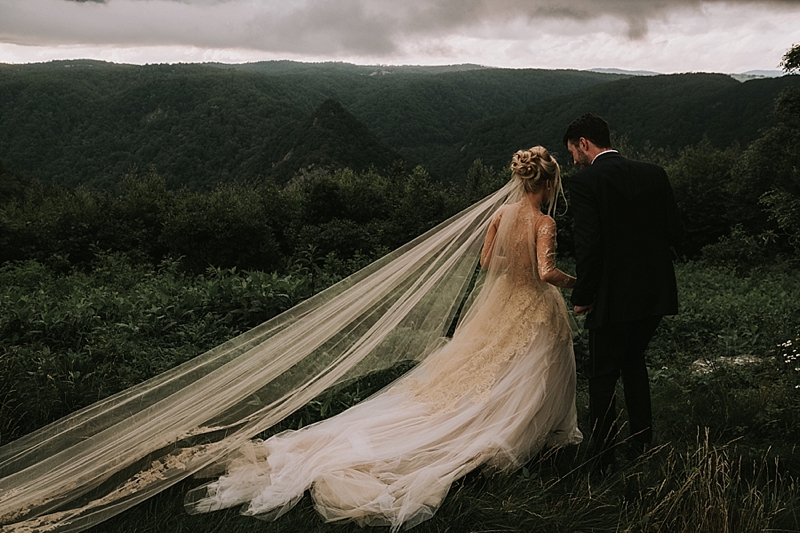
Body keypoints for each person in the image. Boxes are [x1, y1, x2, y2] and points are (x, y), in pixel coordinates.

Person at [184, 146, 583, 531]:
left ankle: (499, 420)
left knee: (482, 367)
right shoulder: (543, 222)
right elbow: (547, 273)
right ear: (546, 185)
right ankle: (537, 432)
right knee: (527, 368)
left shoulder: (502, 212)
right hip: (531, 303)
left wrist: (512, 265)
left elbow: (485, 261)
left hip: (501, 299)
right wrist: (579, 284)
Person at [562, 113, 683, 472]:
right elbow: (676, 232)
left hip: (611, 296)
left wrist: (583, 295)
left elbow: (589, 246)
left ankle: (601, 458)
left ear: (584, 143)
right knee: (634, 362)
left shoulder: (585, 182)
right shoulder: (654, 173)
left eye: (572, 151)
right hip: (654, 294)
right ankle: (642, 444)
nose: (573, 159)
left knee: (602, 374)